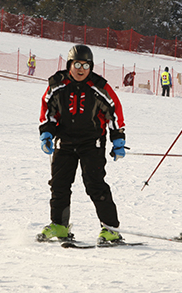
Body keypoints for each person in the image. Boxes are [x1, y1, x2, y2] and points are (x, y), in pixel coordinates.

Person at [37, 44, 127, 244]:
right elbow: (48, 111)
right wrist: (46, 134)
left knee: (95, 185)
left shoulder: (99, 87)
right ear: (70, 64)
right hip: (65, 142)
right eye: (77, 64)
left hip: (91, 143)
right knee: (59, 185)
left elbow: (114, 111)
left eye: (86, 66)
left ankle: (110, 228)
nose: (81, 69)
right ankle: (59, 225)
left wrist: (118, 139)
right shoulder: (57, 84)